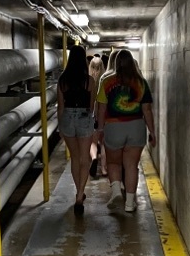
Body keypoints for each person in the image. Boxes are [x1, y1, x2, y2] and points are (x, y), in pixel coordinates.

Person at [95, 49, 156, 213]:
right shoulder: (141, 82)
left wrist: (100, 129)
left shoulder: (106, 81)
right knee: (131, 166)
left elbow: (101, 109)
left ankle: (116, 193)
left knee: (114, 163)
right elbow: (147, 110)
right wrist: (152, 132)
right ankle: (130, 203)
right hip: (136, 127)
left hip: (114, 127)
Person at [57, 45, 95, 215]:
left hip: (67, 118)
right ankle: (80, 194)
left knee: (75, 158)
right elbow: (92, 105)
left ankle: (78, 193)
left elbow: (61, 106)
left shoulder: (62, 80)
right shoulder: (90, 81)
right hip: (84, 117)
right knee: (84, 158)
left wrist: (60, 125)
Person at [88, 55, 106, 179]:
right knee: (104, 143)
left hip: (92, 114)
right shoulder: (105, 79)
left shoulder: (88, 79)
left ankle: (94, 158)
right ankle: (104, 169)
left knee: (93, 142)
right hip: (104, 114)